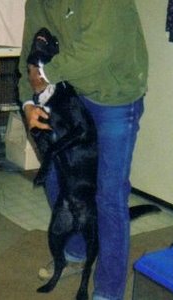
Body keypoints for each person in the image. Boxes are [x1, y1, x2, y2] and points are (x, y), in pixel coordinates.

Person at [18, 1, 148, 299]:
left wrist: (46, 74)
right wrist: (28, 102)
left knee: (109, 194)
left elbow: (97, 49)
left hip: (115, 93)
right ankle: (76, 250)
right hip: (72, 92)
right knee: (55, 175)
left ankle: (109, 290)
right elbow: (30, 51)